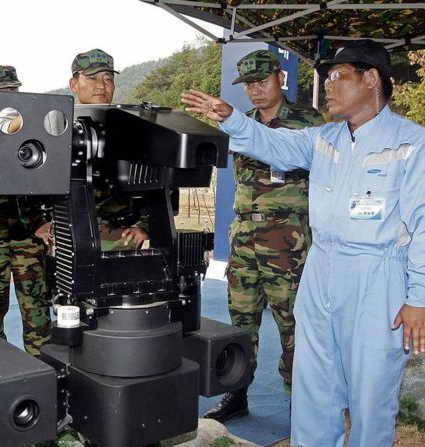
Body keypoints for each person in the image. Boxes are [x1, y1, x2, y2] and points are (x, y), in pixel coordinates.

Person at [182, 39, 425, 447]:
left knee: (371, 397)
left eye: (337, 76)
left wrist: (418, 297)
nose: (327, 85)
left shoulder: (411, 143)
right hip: (321, 269)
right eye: (326, 78)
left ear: (371, 79)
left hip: (377, 278)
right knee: (314, 389)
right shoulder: (323, 138)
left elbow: (422, 224)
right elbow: (272, 144)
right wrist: (231, 118)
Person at [203, 50, 324, 422]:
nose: (255, 90)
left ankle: (299, 399)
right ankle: (236, 392)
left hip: (288, 239)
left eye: (262, 81)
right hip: (244, 237)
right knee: (241, 320)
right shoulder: (240, 123)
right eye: (248, 84)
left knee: (293, 322)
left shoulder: (309, 122)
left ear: (280, 78)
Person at [0, 65, 52, 355]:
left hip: (27, 237)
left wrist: (40, 221)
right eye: (1, 92)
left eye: (13, 90)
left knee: (36, 308)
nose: (9, 96)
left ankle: (42, 366)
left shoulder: (35, 131)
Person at [69, 48, 148, 250]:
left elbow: (161, 185)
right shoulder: (57, 126)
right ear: (74, 84)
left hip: (120, 240)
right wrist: (38, 223)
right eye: (92, 78)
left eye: (108, 79)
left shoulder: (133, 128)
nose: (101, 85)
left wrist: (144, 226)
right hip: (68, 236)